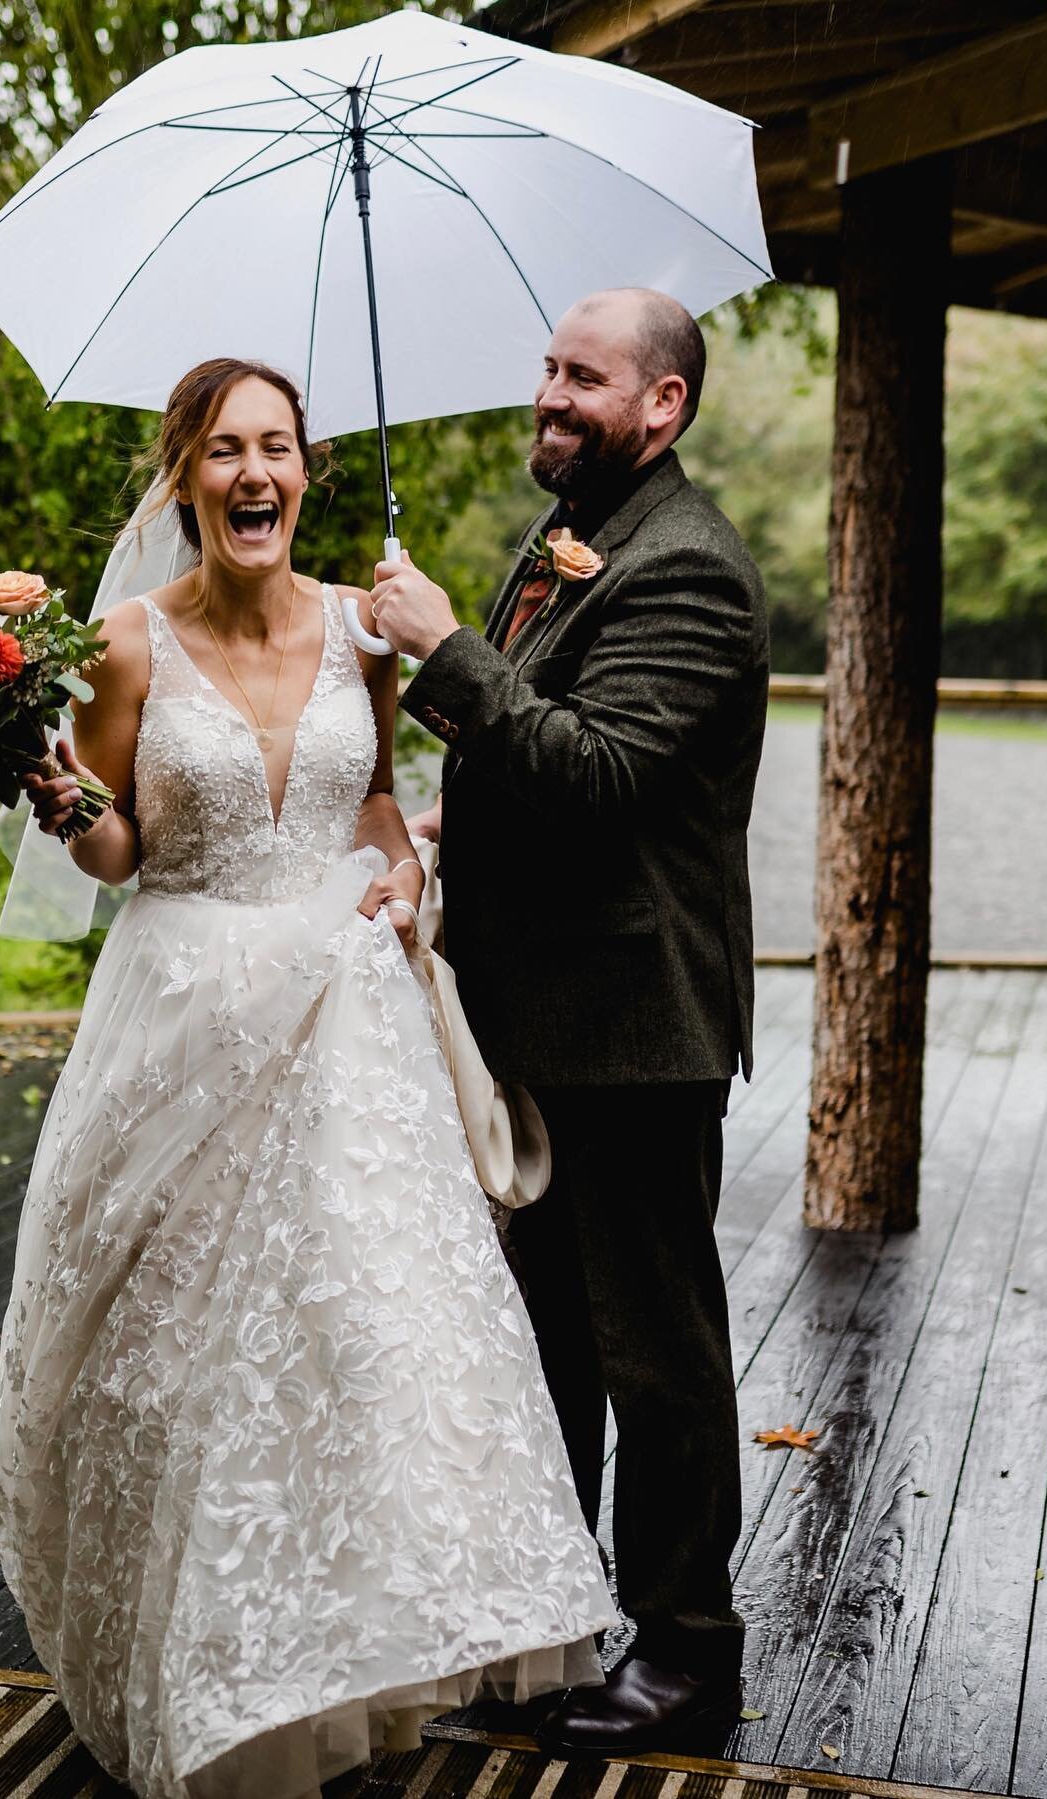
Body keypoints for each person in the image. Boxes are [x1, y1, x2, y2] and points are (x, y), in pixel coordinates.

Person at [0, 356, 613, 1798]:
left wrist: (397, 874)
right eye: (224, 452)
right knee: (174, 1342)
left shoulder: (364, 626)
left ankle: (347, 1659)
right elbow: (117, 851)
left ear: (306, 474)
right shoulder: (127, 643)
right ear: (186, 479)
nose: (253, 474)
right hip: (183, 1011)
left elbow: (382, 796)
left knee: (359, 1340)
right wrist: (62, 800)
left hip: (346, 1025)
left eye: (276, 447)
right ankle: (188, 1665)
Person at [369, 288, 768, 1755]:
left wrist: (435, 644)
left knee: (655, 1350)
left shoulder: (693, 569)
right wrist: (445, 814)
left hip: (635, 1017)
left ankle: (687, 1655)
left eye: (581, 375)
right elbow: (532, 748)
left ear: (660, 404)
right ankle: (551, 1628)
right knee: (545, 1343)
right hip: (537, 1010)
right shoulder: (568, 534)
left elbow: (600, 775)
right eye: (545, 365)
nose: (550, 392)